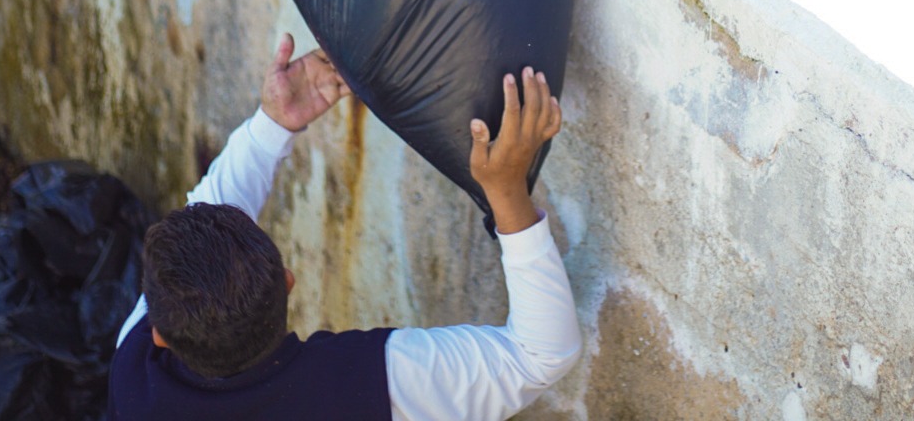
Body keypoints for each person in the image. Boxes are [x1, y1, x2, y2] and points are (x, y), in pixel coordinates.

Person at [108, 33, 580, 420]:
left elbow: (207, 212)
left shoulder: (135, 377)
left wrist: (275, 123)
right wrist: (506, 194)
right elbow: (540, 356)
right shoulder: (364, 384)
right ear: (288, 282)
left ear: (161, 335)